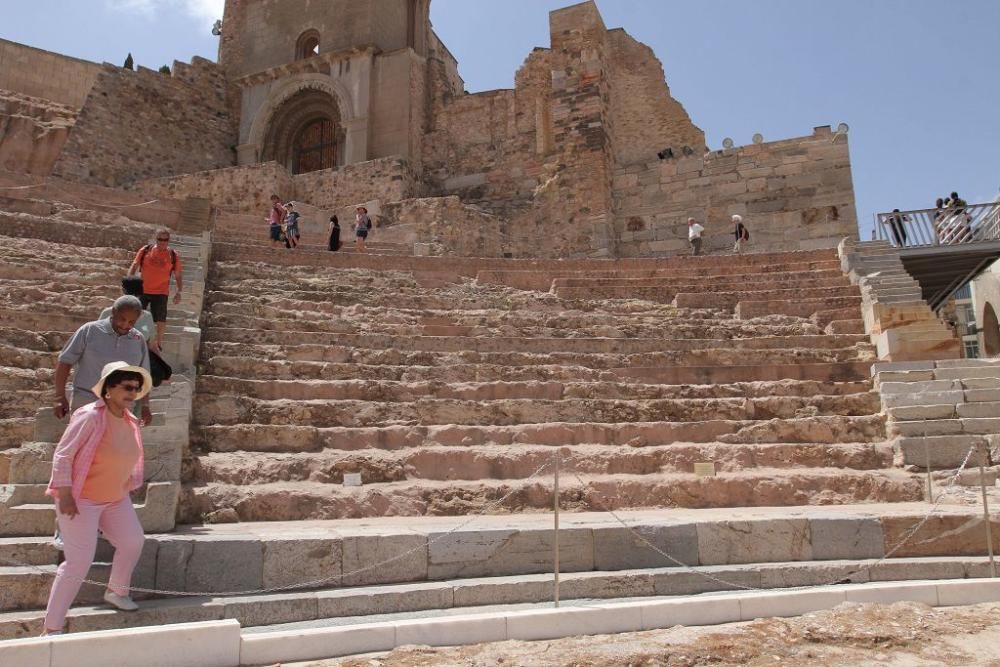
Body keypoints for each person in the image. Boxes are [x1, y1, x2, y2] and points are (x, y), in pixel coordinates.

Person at [42, 361, 152, 635]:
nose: (133, 392)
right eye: (127, 387)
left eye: (136, 388)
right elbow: (64, 455)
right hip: (81, 499)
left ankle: (116, 591)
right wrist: (65, 494)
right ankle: (52, 628)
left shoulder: (129, 420)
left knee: (132, 541)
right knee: (78, 562)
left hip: (115, 497)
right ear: (108, 389)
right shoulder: (89, 416)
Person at [54, 296, 152, 425]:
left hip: (121, 406)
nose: (125, 325)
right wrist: (59, 396)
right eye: (122, 319)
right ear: (113, 312)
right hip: (86, 400)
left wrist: (145, 406)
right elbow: (65, 362)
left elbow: (143, 374)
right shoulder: (89, 330)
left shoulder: (138, 340)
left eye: (131, 322)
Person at [127, 229, 182, 351]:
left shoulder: (173, 255)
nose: (162, 242)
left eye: (165, 240)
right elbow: (134, 265)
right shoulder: (145, 250)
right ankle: (131, 337)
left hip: (161, 292)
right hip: (143, 290)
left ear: (168, 241)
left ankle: (158, 343)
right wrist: (129, 282)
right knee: (135, 314)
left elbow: (178, 275)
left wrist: (179, 291)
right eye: (160, 239)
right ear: (155, 239)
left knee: (160, 319)